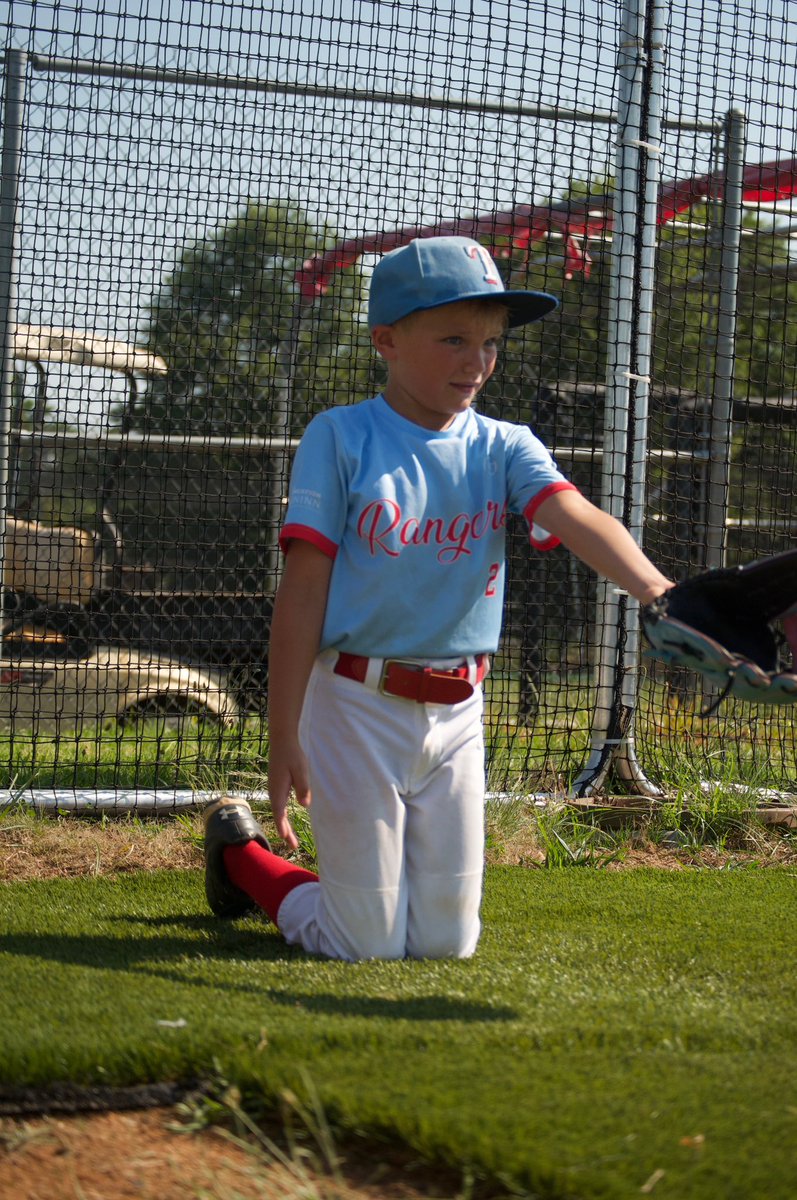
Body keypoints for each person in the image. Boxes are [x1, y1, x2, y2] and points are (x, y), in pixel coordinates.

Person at [202, 235, 673, 961]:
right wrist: (283, 731)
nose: (475, 361)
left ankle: (272, 871)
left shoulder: (506, 443)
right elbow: (300, 597)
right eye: (453, 338)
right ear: (386, 339)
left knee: (447, 943)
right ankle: (241, 859)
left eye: (489, 342)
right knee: (365, 944)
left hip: (458, 711)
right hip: (355, 703)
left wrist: (658, 593)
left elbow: (575, 516)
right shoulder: (340, 434)